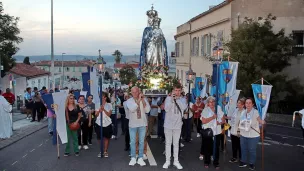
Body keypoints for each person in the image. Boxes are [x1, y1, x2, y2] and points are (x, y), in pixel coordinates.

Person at [163, 84, 187, 170]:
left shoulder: (183, 99)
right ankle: (167, 161)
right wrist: (172, 100)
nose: (177, 92)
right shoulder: (168, 98)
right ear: (173, 91)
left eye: (179, 90)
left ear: (181, 91)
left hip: (178, 125)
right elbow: (166, 109)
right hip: (168, 125)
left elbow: (184, 107)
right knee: (168, 143)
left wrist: (177, 100)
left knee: (176, 144)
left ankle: (176, 161)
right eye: (175, 90)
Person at [238, 98, 266, 170]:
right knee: (243, 149)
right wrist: (238, 131)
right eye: (246, 103)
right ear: (245, 104)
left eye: (250, 103)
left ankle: (251, 163)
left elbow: (259, 120)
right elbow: (240, 122)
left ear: (252, 104)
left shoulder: (255, 112)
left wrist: (262, 122)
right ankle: (243, 161)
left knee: (252, 150)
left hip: (253, 135)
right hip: (243, 134)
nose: (248, 104)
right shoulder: (243, 112)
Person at [127, 86, 151, 166]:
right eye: (133, 92)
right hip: (133, 125)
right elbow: (132, 109)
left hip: (142, 124)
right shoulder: (129, 101)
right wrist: (138, 101)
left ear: (139, 91)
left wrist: (143, 100)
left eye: (136, 92)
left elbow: (147, 110)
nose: (134, 93)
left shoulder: (144, 100)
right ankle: (133, 157)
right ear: (131, 93)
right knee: (133, 142)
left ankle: (140, 157)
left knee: (141, 141)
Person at [201, 96, 225, 169]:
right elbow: (203, 121)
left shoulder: (218, 108)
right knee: (207, 147)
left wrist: (219, 123)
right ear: (208, 103)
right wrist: (212, 118)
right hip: (208, 132)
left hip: (217, 131)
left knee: (216, 148)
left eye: (213, 101)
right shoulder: (205, 110)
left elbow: (223, 119)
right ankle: (207, 161)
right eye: (210, 102)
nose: (212, 103)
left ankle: (216, 162)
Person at [226, 98, 245, 163]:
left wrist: (239, 131)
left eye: (239, 103)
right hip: (233, 131)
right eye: (237, 103)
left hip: (239, 132)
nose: (237, 104)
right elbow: (232, 118)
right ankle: (234, 157)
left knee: (240, 146)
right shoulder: (236, 110)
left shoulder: (244, 112)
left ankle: (241, 158)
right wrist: (226, 117)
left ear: (243, 105)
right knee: (234, 145)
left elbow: (243, 122)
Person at [95, 92, 112, 158]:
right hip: (99, 123)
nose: (101, 97)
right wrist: (99, 110)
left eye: (102, 96)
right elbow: (96, 115)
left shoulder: (109, 104)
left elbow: (109, 114)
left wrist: (104, 109)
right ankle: (101, 150)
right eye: (100, 96)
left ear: (105, 97)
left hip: (107, 123)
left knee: (107, 138)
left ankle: (105, 151)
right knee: (99, 138)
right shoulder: (97, 104)